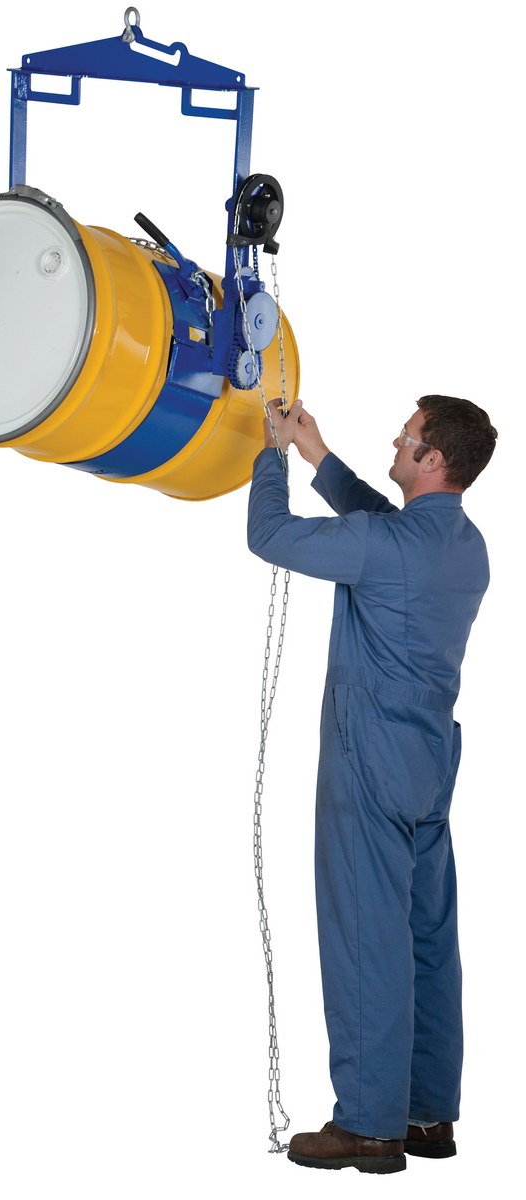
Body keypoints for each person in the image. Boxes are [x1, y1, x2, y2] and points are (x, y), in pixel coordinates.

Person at [247, 395, 497, 1175]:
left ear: (433, 459)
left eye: (408, 435)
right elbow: (382, 526)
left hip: (371, 761)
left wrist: (271, 455)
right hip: (429, 764)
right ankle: (426, 1116)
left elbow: (268, 536)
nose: (396, 438)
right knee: (427, 940)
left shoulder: (384, 546)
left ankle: (368, 1127)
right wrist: (318, 454)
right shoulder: (466, 546)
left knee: (365, 937)